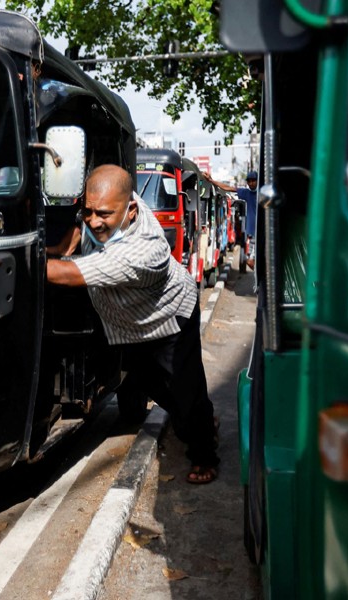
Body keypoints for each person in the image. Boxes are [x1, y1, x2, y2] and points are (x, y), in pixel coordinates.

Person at [47, 164, 220, 484]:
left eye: (104, 215)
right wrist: (62, 247)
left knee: (184, 389)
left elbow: (68, 275)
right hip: (131, 323)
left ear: (130, 211)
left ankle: (203, 451)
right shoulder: (109, 203)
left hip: (169, 318)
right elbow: (81, 222)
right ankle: (199, 420)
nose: (94, 221)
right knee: (147, 382)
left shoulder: (144, 250)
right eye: (89, 211)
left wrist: (20, 259)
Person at [205, 170, 257, 269]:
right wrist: (211, 181)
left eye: (253, 180)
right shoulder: (246, 193)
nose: (251, 183)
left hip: (264, 230)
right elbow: (227, 188)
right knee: (250, 261)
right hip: (252, 233)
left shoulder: (262, 193)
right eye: (249, 181)